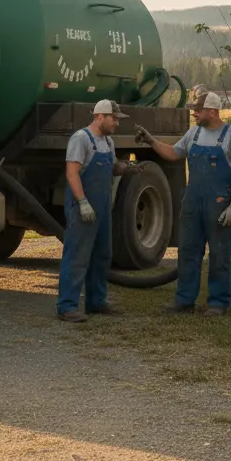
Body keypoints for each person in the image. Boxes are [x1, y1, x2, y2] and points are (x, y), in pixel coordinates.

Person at [134, 89, 231, 316]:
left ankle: (218, 302)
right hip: (193, 203)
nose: (194, 114)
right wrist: (150, 141)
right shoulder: (193, 134)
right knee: (187, 251)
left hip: (219, 205)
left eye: (198, 110)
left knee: (219, 253)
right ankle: (184, 301)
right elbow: (174, 153)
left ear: (213, 111)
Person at [58, 99, 141, 322]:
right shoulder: (81, 139)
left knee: (102, 255)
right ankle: (67, 306)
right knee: (77, 255)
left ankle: (97, 302)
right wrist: (82, 202)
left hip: (103, 205)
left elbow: (113, 167)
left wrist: (127, 169)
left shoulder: (108, 142)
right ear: (99, 117)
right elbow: (72, 173)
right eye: (113, 118)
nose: (116, 123)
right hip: (82, 205)